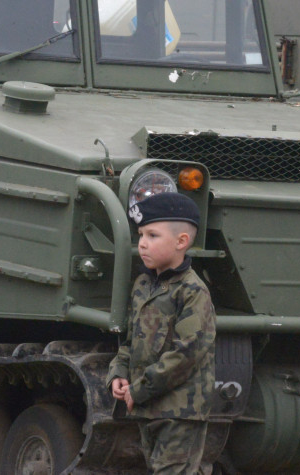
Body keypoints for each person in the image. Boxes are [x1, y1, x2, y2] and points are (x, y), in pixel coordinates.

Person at [107, 192, 216, 474]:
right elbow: (131, 339)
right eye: (141, 234)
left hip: (181, 411)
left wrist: (140, 389)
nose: (142, 243)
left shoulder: (193, 291)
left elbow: (186, 353)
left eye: (153, 235)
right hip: (149, 407)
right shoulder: (143, 284)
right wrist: (118, 372)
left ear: (182, 242)